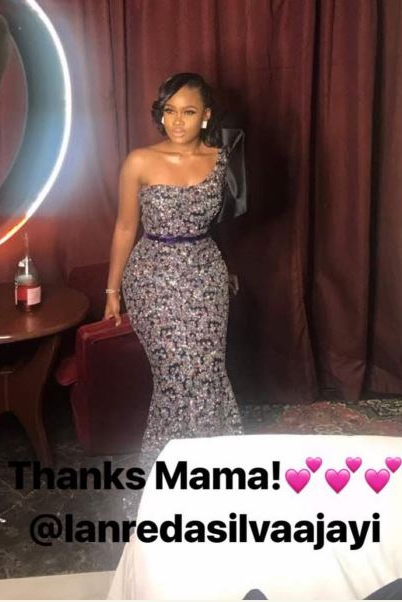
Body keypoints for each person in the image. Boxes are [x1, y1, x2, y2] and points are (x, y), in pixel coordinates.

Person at [104, 72, 244, 487]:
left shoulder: (223, 159)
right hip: (152, 277)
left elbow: (224, 223)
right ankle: (168, 479)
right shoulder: (139, 161)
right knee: (175, 378)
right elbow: (125, 228)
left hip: (206, 276)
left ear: (206, 116)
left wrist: (225, 268)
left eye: (188, 112)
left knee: (209, 373)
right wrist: (112, 290)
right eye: (169, 111)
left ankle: (217, 474)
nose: (177, 121)